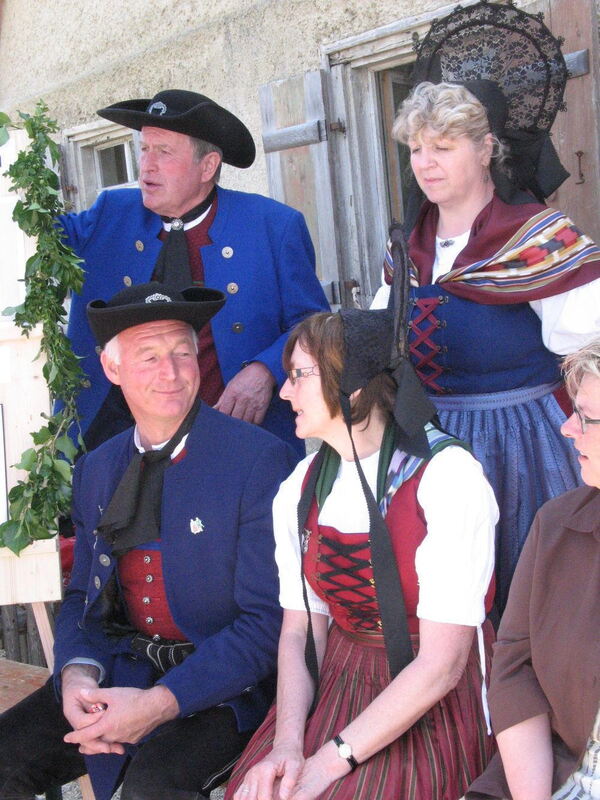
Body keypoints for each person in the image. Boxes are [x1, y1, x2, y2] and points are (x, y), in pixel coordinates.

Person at [0, 282, 298, 800]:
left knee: (153, 788)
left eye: (183, 353)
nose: (172, 373)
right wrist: (76, 678)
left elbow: (266, 625)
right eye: (150, 356)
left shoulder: (257, 461)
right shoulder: (97, 467)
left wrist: (160, 703)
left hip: (225, 687)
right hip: (122, 670)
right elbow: (82, 602)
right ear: (112, 369)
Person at [225, 308, 499, 800]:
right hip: (340, 677)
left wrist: (328, 762)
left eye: (297, 376)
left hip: (429, 694)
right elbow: (300, 631)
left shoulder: (448, 478)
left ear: (352, 389)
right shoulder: (300, 488)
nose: (284, 393)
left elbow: (441, 665)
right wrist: (288, 744)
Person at [373, 68, 600, 610]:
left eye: (443, 148)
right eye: (417, 149)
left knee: (525, 594)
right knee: (440, 598)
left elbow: (591, 347)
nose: (425, 164)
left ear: (485, 149)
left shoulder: (539, 239)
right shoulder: (407, 249)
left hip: (518, 444)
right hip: (424, 443)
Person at [57, 89, 329, 455]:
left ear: (208, 166)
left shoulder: (273, 226)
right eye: (144, 149)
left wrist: (265, 370)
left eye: (164, 152)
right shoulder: (110, 212)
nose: (147, 165)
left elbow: (313, 324)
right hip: (114, 444)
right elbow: (33, 237)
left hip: (233, 442)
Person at [467, 336, 600, 800]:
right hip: (547, 780)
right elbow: (514, 668)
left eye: (585, 415)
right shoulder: (558, 525)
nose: (567, 428)